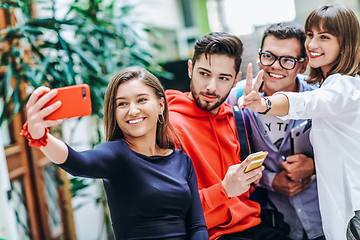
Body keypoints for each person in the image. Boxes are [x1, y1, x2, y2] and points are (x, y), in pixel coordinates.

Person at [20, 66, 209, 240]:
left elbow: (197, 226)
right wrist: (40, 136)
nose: (133, 110)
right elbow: (79, 162)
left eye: (141, 100)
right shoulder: (117, 154)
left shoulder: (182, 160)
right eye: (122, 104)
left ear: (160, 105)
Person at [239, 4, 360, 240]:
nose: (313, 44)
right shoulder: (236, 99)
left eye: (325, 37)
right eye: (311, 35)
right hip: (283, 222)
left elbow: (309, 102)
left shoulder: (343, 86)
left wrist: (265, 105)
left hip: (350, 209)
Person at [166, 32, 290, 240]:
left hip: (254, 225)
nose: (211, 87)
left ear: (235, 81)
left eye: (223, 78)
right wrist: (224, 189)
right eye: (204, 74)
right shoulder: (168, 126)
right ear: (190, 69)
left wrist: (248, 180)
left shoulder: (237, 118)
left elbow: (244, 192)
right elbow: (170, 210)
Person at [227, 22, 325, 240]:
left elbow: (349, 152)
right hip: (275, 223)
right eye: (268, 56)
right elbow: (225, 160)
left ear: (302, 65)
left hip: (324, 216)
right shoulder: (236, 98)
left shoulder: (318, 97)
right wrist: (270, 180)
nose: (276, 66)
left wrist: (314, 166)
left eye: (288, 60)